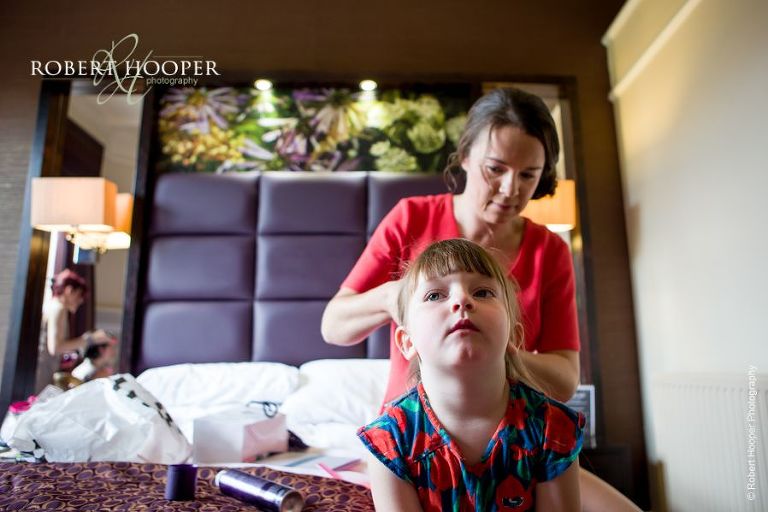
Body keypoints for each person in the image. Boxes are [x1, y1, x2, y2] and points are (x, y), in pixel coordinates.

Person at [323, 88, 641, 511]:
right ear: (467, 157)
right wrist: (397, 296)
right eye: (496, 168)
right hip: (418, 441)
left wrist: (493, 352)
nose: (511, 188)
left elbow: (564, 378)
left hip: (518, 437)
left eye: (529, 175)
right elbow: (334, 326)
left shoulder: (550, 250)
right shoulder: (410, 218)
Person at [358, 239, 584, 511]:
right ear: (407, 342)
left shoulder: (553, 429)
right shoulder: (389, 443)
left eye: (483, 292)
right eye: (435, 295)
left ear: (514, 336)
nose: (462, 299)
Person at [35, 269, 115, 392]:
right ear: (68, 290)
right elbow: (55, 347)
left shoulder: (53, 306)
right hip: (42, 370)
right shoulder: (59, 308)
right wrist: (91, 339)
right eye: (79, 295)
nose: (81, 300)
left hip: (44, 368)